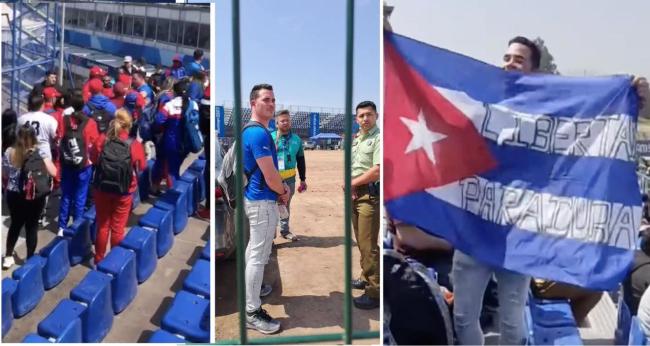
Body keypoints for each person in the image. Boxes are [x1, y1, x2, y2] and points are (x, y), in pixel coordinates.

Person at [242, 83, 289, 334]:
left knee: (253, 252)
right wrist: (283, 190)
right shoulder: (258, 134)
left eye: (273, 100)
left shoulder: (253, 131)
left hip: (256, 198)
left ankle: (253, 291)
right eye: (266, 100)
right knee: (258, 257)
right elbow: (271, 176)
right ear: (253, 104)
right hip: (262, 201)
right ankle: (252, 311)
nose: (271, 104)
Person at [91, 109, 145, 264]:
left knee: (103, 225)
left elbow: (93, 159)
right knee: (118, 228)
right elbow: (142, 167)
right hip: (125, 191)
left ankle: (99, 260)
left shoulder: (102, 139)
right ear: (129, 125)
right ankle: (114, 263)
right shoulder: (134, 145)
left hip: (102, 188)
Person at [2, 125, 57, 269]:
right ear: (34, 137)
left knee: (15, 225)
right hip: (34, 195)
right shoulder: (40, 152)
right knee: (31, 228)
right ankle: (30, 259)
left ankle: (8, 257)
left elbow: (5, 174)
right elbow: (54, 172)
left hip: (14, 195)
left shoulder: (9, 152)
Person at [349, 100, 381, 310]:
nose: (365, 119)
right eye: (361, 116)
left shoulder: (379, 138)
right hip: (355, 195)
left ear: (376, 116)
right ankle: (364, 276)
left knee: (368, 245)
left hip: (369, 197)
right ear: (356, 119)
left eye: (369, 114)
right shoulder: (358, 139)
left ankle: (374, 291)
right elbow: (355, 165)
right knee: (361, 241)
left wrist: (352, 183)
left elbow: (377, 170)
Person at [57, 92, 99, 236]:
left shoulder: (64, 120)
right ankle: (76, 227)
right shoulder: (90, 122)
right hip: (84, 165)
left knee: (66, 195)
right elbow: (95, 144)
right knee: (80, 197)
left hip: (67, 162)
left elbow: (59, 138)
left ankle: (61, 227)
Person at [270, 110, 306, 241]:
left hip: (290, 179)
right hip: (272, 178)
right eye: (282, 120)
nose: (285, 122)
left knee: (285, 205)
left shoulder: (296, 139)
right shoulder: (270, 137)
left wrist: (303, 179)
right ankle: (270, 234)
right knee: (270, 206)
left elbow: (301, 160)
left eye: (287, 120)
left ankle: (285, 231)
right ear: (276, 123)